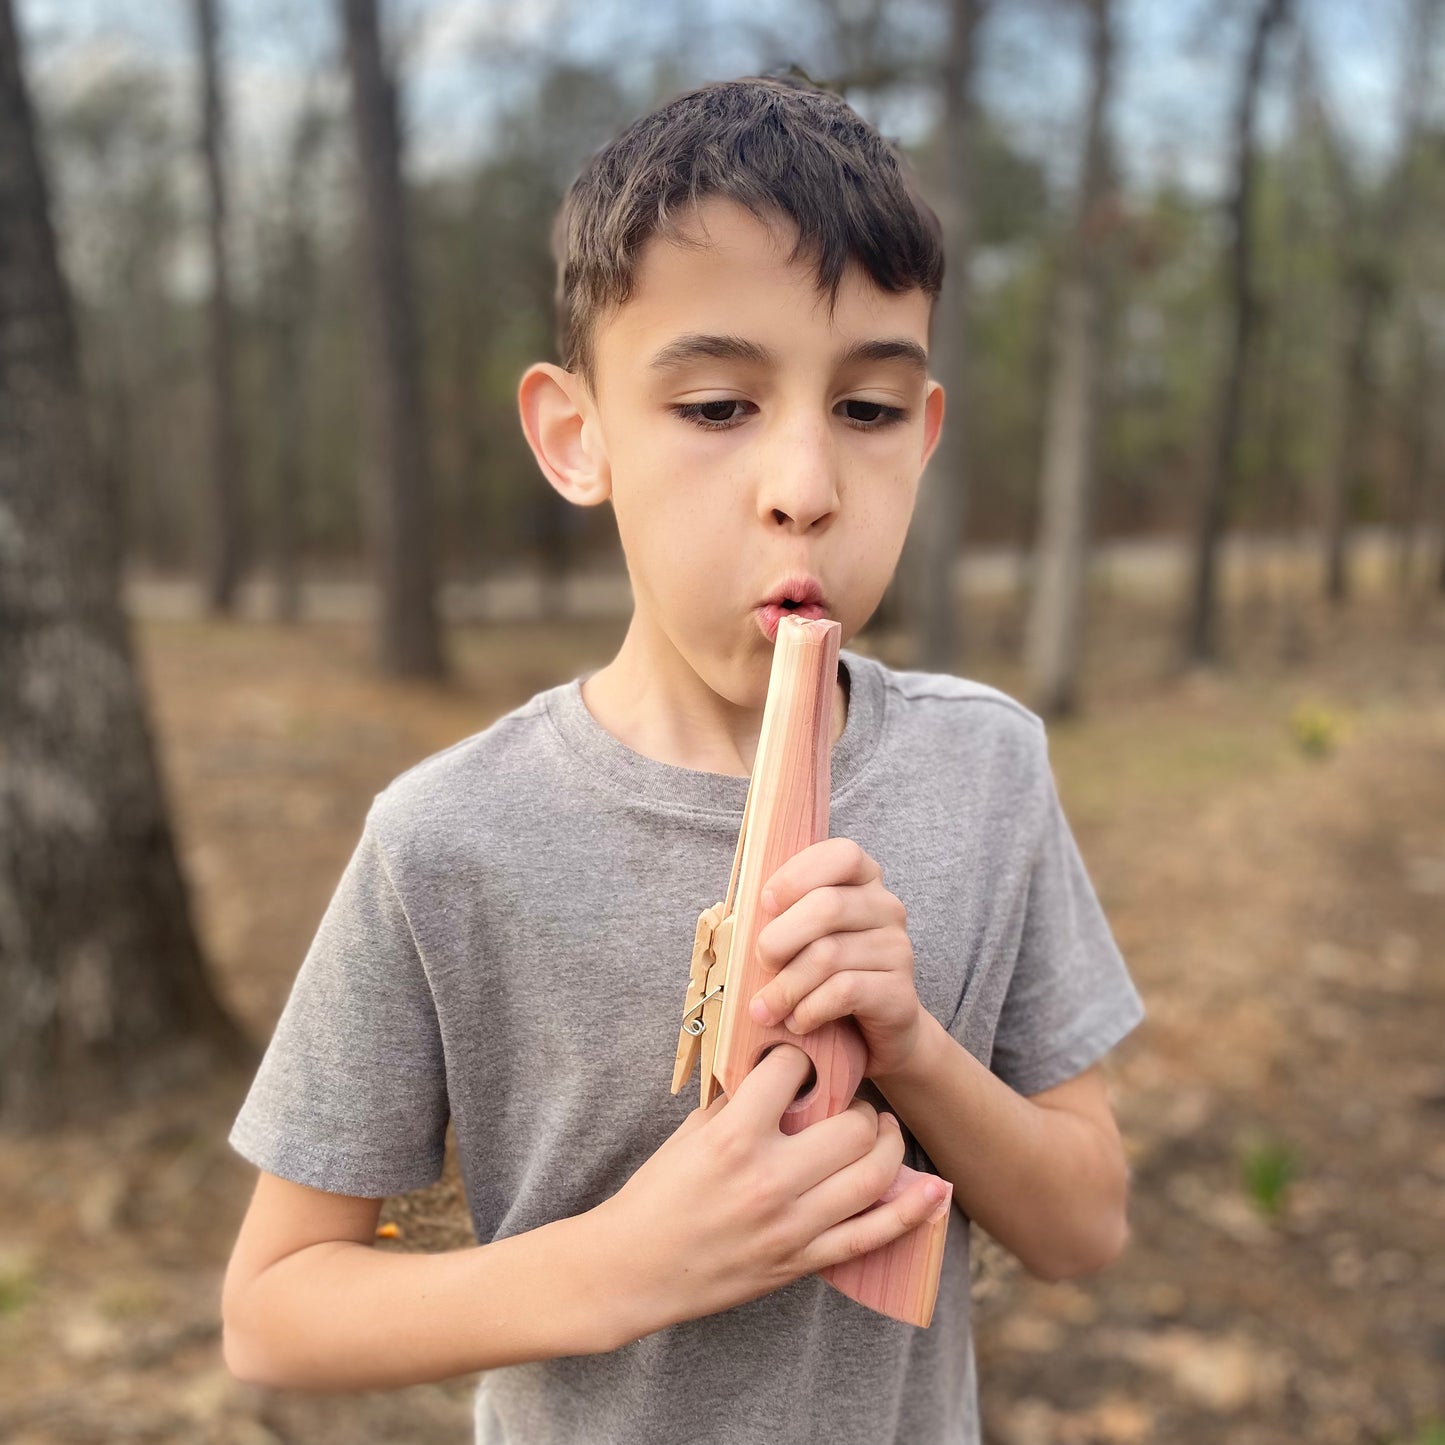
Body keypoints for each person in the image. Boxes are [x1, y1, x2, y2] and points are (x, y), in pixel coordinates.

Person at [221, 73, 1146, 1445]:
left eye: (868, 411)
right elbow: (273, 1308)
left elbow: (1084, 1224)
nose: (804, 485)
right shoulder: (449, 838)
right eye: (716, 405)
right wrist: (619, 1268)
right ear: (574, 434)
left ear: (925, 437)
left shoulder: (986, 769)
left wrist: (914, 1048)